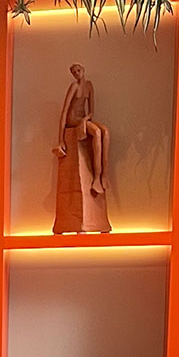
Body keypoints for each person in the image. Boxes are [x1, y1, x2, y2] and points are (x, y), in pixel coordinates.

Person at [53, 63, 110, 233]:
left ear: (83, 70)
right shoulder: (74, 87)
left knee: (105, 132)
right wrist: (61, 139)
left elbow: (91, 110)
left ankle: (103, 175)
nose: (77, 74)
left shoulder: (89, 86)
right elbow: (64, 113)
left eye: (78, 71)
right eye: (74, 72)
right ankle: (96, 178)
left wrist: (85, 120)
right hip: (73, 121)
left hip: (83, 119)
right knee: (96, 133)